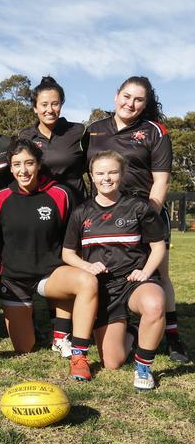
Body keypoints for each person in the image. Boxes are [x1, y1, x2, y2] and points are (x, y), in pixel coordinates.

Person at [84, 76, 187, 363]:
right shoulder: (93, 130)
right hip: (104, 219)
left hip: (144, 215)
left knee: (158, 275)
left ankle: (173, 335)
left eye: (138, 99)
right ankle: (101, 324)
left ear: (145, 104)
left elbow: (161, 181)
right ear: (116, 95)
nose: (131, 103)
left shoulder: (155, 131)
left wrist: (146, 217)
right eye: (126, 96)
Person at [0, 139, 98, 381]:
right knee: (24, 347)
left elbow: (74, 240)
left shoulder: (60, 194)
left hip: (50, 274)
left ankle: (77, 352)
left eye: (29, 163)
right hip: (15, 280)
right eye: (17, 164)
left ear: (39, 165)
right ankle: (37, 328)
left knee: (86, 282)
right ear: (10, 167)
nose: (23, 170)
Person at [63, 150, 166, 390]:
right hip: (102, 290)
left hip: (133, 282)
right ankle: (132, 329)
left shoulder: (138, 207)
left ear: (122, 174)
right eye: (100, 173)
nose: (106, 178)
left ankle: (143, 366)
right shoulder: (81, 213)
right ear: (92, 176)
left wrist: (146, 271)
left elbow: (158, 247)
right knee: (112, 361)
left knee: (154, 304)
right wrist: (87, 266)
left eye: (112, 172)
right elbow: (67, 254)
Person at [19, 76, 87, 201]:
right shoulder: (26, 136)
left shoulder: (78, 131)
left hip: (77, 206)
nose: (50, 110)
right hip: (41, 205)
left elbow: (92, 167)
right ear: (35, 108)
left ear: (61, 104)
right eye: (44, 105)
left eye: (55, 104)